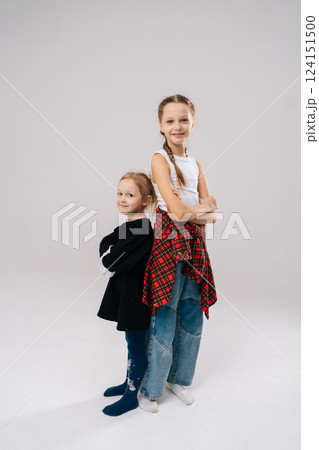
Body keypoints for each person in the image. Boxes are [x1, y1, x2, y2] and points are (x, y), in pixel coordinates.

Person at [139, 94, 218, 413]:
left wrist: (190, 211)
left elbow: (212, 217)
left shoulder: (196, 164)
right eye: (170, 120)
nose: (177, 126)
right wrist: (197, 208)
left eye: (183, 119)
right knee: (165, 317)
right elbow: (173, 211)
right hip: (167, 246)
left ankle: (180, 379)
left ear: (193, 123)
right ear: (161, 125)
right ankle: (151, 388)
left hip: (195, 245)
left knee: (192, 315)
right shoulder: (159, 159)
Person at [97, 172, 157, 416]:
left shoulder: (142, 229)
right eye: (120, 193)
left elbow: (115, 259)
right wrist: (110, 253)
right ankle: (128, 382)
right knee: (131, 344)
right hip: (126, 292)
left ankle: (132, 395)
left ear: (145, 200)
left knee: (136, 346)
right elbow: (107, 242)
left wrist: (110, 255)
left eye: (130, 195)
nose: (122, 199)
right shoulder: (130, 225)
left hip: (136, 297)